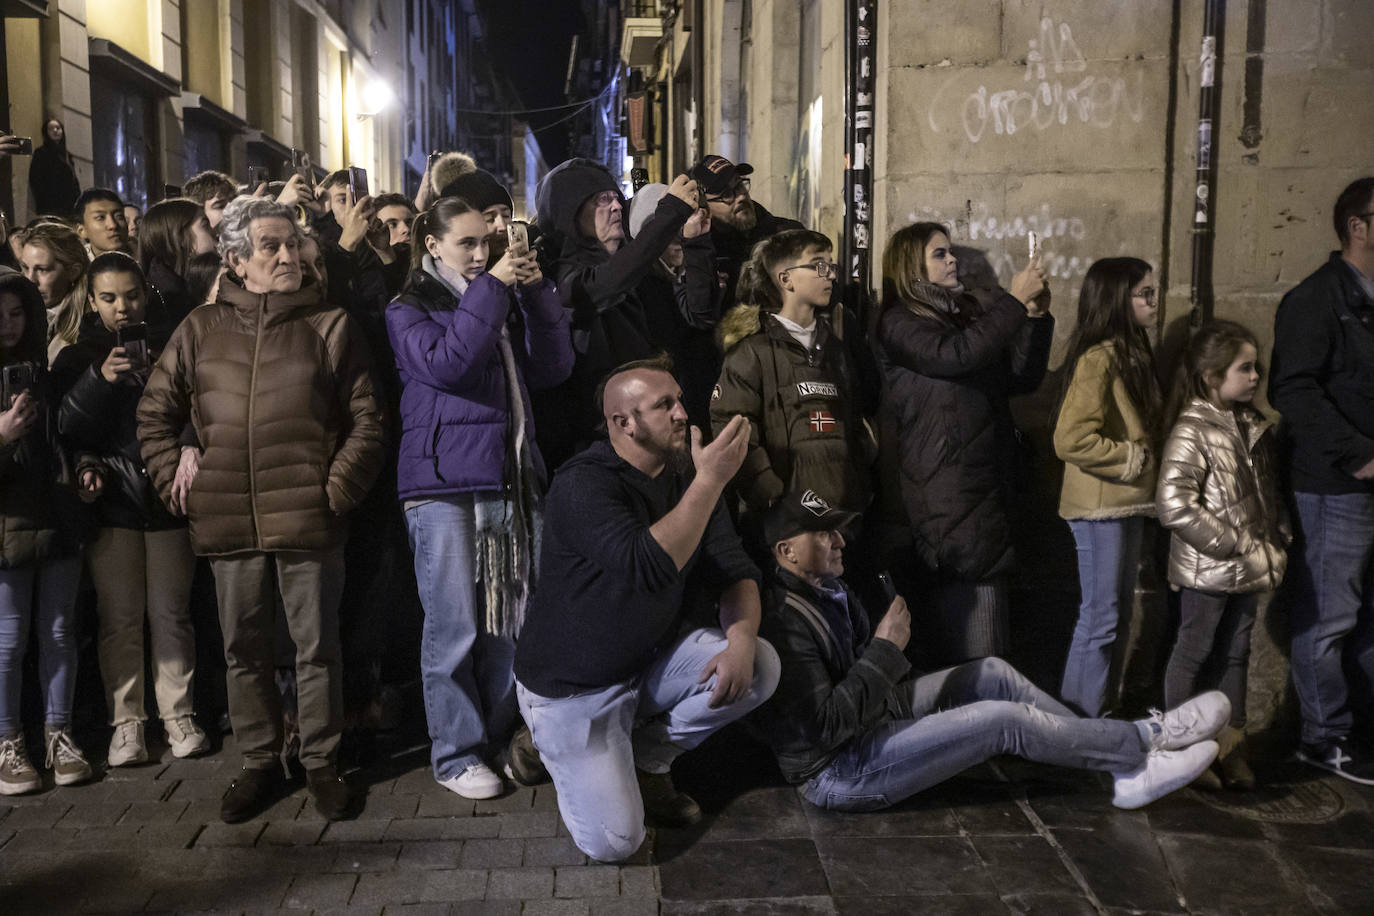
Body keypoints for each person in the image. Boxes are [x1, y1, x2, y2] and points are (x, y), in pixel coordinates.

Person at [749, 489, 1227, 813]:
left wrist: (881, 653)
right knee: (1003, 721)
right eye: (823, 534)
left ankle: (1123, 767)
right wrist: (884, 649)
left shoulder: (832, 592)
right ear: (786, 552)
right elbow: (824, 728)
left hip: (871, 718)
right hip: (838, 770)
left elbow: (860, 684)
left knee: (994, 672)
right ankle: (1144, 742)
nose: (838, 540)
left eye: (836, 529)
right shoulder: (783, 622)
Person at [137, 196, 384, 821]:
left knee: (317, 647)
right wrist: (178, 483)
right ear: (236, 261)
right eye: (270, 246)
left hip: (308, 518)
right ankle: (257, 762)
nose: (287, 255)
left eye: (292, 244)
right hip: (226, 519)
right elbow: (154, 415)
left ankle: (321, 763)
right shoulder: (199, 328)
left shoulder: (329, 324)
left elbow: (368, 419)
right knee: (242, 649)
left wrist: (335, 490)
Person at [513, 359, 781, 862]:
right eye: (664, 405)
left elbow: (734, 569)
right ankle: (538, 741)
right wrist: (711, 482)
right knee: (618, 844)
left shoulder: (685, 477)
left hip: (645, 665)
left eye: (680, 400)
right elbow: (650, 565)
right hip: (575, 688)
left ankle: (647, 761)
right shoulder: (584, 484)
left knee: (761, 665)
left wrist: (742, 643)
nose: (683, 413)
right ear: (624, 423)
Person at [386, 196, 573, 798]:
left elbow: (554, 368)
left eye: (486, 243)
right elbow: (451, 365)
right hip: (442, 485)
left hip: (506, 477)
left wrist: (538, 295)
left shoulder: (497, 299)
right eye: (466, 243)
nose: (480, 253)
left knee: (505, 621)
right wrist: (492, 288)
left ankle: (493, 739)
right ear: (431, 245)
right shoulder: (407, 308)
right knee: (454, 626)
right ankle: (454, 754)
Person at [51, 253, 208, 766]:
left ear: (146, 291)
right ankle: (127, 723)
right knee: (119, 618)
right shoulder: (78, 356)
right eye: (110, 298)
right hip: (113, 505)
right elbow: (69, 429)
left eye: (132, 295)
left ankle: (178, 714)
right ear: (92, 302)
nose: (123, 307)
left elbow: (199, 410)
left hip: (165, 501)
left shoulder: (174, 343)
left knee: (171, 613)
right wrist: (100, 378)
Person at [876, 222, 1052, 663]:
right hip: (946, 495)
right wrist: (1011, 303)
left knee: (989, 645)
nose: (952, 260)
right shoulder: (900, 323)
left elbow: (1019, 379)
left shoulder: (964, 318)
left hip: (983, 490)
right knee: (979, 652)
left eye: (950, 252)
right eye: (940, 254)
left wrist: (1033, 319)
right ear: (911, 266)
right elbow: (956, 357)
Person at [1268, 176, 1374, 784]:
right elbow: (1294, 390)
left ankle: (1355, 724)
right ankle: (1322, 736)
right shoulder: (1316, 298)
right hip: (1336, 487)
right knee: (1327, 616)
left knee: (1360, 615)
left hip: (1363, 485)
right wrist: (1359, 454)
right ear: (1357, 226)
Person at [1157, 320, 1288, 791]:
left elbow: (1265, 494)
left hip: (1249, 567)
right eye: (1245, 368)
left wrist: (1278, 536)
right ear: (1212, 377)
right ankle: (1182, 749)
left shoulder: (1252, 425)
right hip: (1208, 570)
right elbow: (1173, 503)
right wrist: (1235, 542)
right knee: (1193, 653)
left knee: (1236, 655)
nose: (1256, 377)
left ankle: (1231, 749)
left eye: (1258, 367)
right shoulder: (1193, 429)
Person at [532, 159, 698, 469]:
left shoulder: (634, 268)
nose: (615, 207)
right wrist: (671, 211)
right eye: (600, 200)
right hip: (597, 440)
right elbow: (610, 281)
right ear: (571, 214)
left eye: (614, 197)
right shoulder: (563, 277)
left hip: (649, 429)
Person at [0, 267, 96, 794]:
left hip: (57, 519)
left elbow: (69, 431)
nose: (9, 325)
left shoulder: (46, 372)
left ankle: (60, 734)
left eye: (18, 314)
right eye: (0, 317)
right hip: (6, 532)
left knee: (60, 634)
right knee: (8, 643)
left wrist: (82, 468)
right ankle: (8, 742)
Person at [1053, 258, 1164, 717]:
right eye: (1144, 293)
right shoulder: (1100, 358)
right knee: (1100, 618)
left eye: (1153, 291)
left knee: (1113, 617)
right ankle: (1080, 723)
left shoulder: (1131, 352)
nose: (1154, 301)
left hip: (1128, 500)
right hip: (1101, 503)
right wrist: (1129, 457)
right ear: (1117, 299)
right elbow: (1070, 437)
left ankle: (1097, 715)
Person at [712, 229, 869, 518]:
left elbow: (853, 423)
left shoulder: (834, 347)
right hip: (784, 522)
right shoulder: (752, 350)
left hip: (843, 515)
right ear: (785, 279)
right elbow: (733, 428)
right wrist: (771, 495)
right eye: (818, 265)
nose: (831, 275)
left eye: (831, 265)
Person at [626, 184, 723, 434]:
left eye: (684, 226)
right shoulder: (642, 286)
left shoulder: (699, 266)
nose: (680, 237)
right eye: (669, 230)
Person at [688, 155, 805, 309]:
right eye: (727, 194)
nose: (741, 196)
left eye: (739, 185)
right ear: (704, 205)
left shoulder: (788, 235)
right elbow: (700, 313)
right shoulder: (703, 253)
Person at [137, 198, 218, 330]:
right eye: (205, 225)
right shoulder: (162, 301)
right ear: (180, 237)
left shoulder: (197, 279)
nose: (215, 232)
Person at [18, 222, 90, 363]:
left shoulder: (88, 328)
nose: (30, 280)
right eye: (25, 268)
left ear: (73, 272)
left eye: (43, 270)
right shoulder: (14, 317)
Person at [29, 118, 82, 219]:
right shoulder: (41, 153)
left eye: (58, 128)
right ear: (46, 133)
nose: (55, 131)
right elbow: (35, 180)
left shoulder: (67, 155)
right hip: (50, 207)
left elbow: (73, 180)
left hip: (69, 207)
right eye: (51, 129)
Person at [73, 188, 131, 259]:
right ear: (82, 231)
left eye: (119, 216)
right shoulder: (76, 266)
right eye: (100, 217)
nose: (113, 225)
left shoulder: (143, 261)